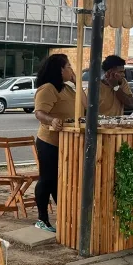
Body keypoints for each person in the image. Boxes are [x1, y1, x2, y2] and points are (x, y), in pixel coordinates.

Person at [33, 54, 76, 232]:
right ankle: (42, 219)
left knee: (62, 181)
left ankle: (64, 217)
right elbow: (39, 113)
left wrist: (77, 82)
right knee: (47, 180)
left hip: (67, 143)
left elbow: (86, 105)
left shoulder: (68, 88)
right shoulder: (48, 88)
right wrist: (52, 120)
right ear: (60, 70)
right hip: (49, 142)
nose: (71, 69)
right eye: (68, 66)